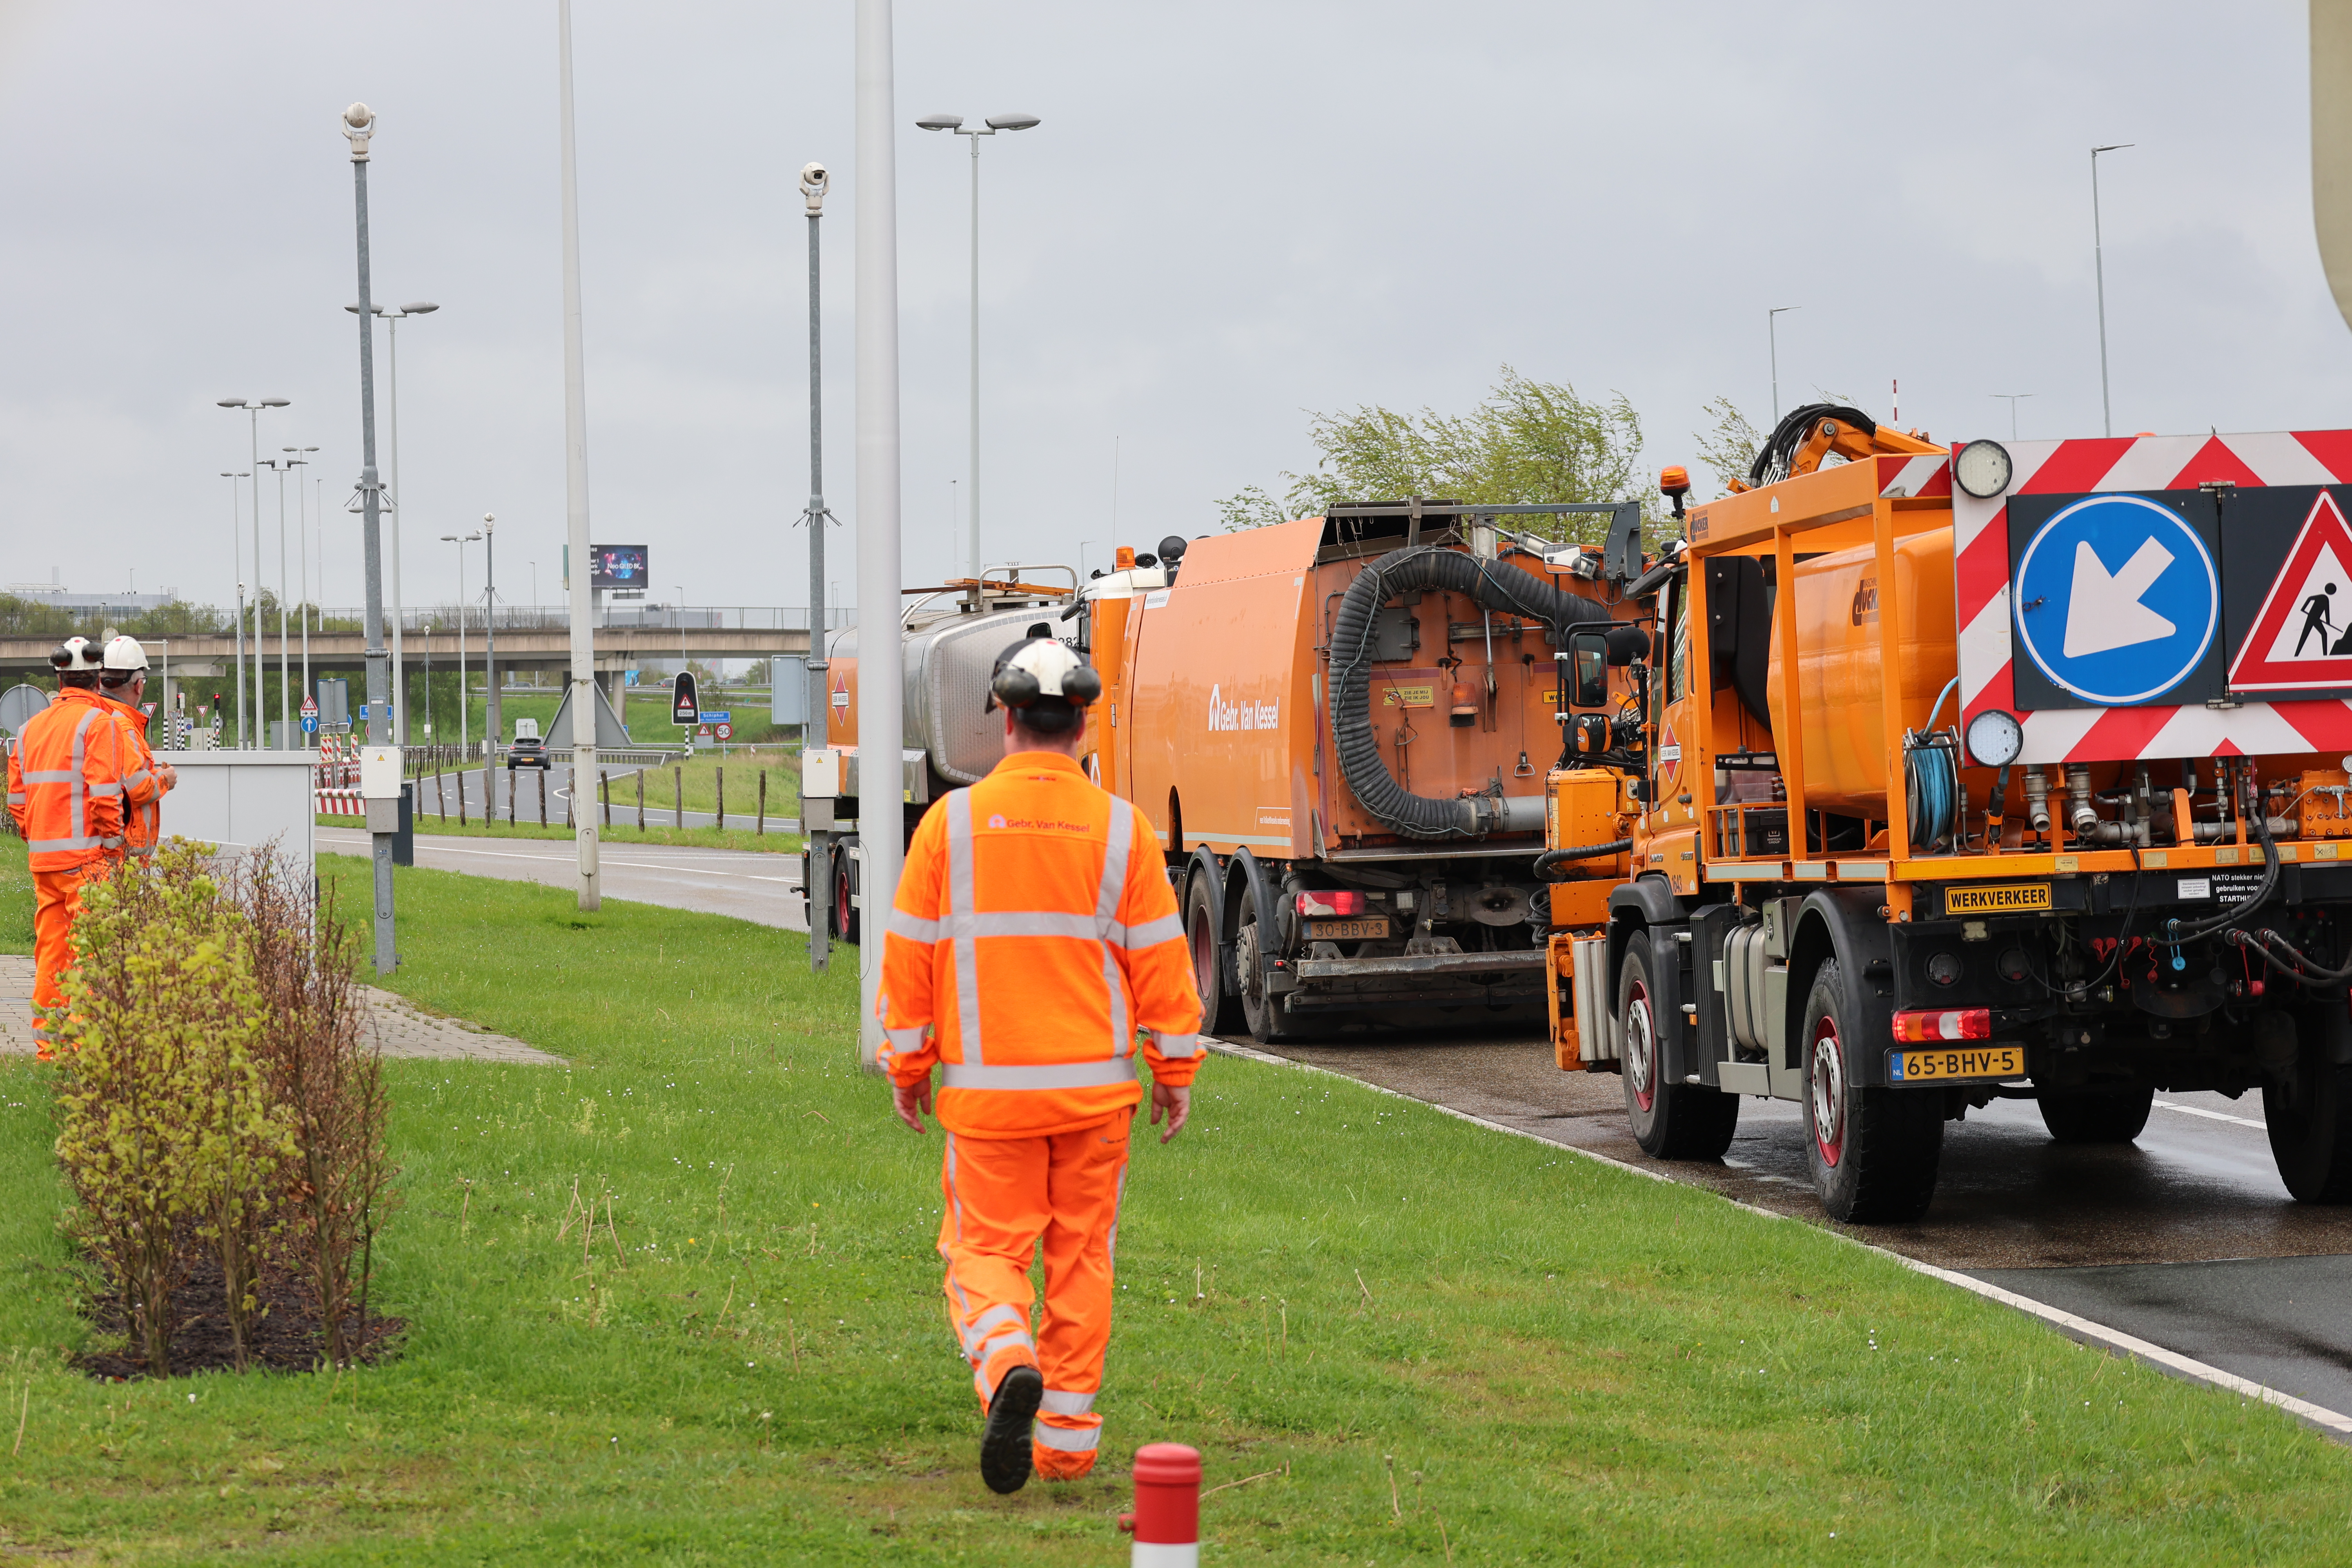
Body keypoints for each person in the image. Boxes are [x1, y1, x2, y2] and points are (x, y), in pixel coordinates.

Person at [878, 632, 1203, 1495]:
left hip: (989, 1105)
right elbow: (1163, 964)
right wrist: (1174, 1073)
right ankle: (1063, 1445)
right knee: (1081, 1260)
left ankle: (1005, 1358)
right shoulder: (1122, 830)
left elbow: (910, 957)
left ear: (1006, 719)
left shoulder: (950, 824)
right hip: (1096, 1101)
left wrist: (907, 1064)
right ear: (1084, 725)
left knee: (984, 1251)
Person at [4, 638, 164, 1058]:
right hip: (89, 863)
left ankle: (49, 1052)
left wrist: (39, 839)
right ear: (97, 678)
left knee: (52, 956)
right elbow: (105, 795)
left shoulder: (27, 730)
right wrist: (111, 849)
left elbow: (16, 803)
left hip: (45, 863)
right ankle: (82, 1049)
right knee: (91, 955)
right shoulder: (100, 723)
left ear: (59, 677)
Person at [94, 636, 175, 858]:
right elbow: (135, 788)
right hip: (124, 854)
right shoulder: (121, 724)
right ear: (139, 686)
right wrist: (165, 778)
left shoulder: (96, 715)